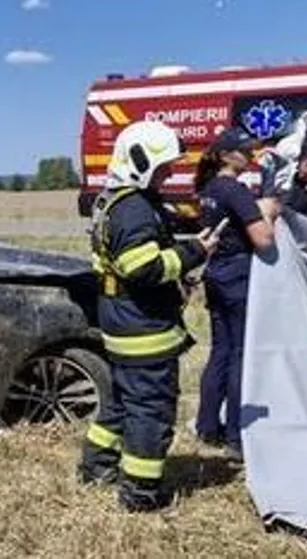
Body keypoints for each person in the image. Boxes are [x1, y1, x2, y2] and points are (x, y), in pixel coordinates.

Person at [77, 119, 219, 512]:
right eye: (163, 167)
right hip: (142, 327)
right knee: (150, 411)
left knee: (122, 402)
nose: (170, 173)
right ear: (140, 163)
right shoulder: (135, 208)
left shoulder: (116, 199)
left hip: (121, 319)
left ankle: (96, 467)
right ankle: (140, 494)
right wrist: (195, 254)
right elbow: (143, 269)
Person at [191, 127, 278, 461]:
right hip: (239, 277)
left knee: (220, 351)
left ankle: (207, 426)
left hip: (216, 274)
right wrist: (267, 211)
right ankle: (235, 437)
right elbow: (263, 240)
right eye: (246, 151)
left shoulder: (209, 189)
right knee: (241, 355)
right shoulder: (236, 191)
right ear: (228, 155)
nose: (251, 156)